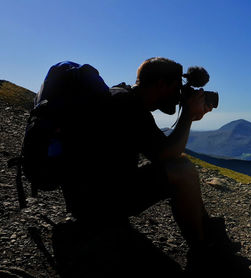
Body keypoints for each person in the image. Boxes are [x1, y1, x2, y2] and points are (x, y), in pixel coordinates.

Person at [60, 57, 237, 259]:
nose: (179, 96)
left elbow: (161, 151)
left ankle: (208, 236)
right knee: (182, 170)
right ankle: (203, 249)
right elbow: (167, 154)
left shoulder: (124, 98)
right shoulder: (128, 105)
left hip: (88, 196)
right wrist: (188, 116)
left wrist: (189, 115)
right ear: (161, 84)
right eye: (177, 88)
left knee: (179, 165)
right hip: (96, 204)